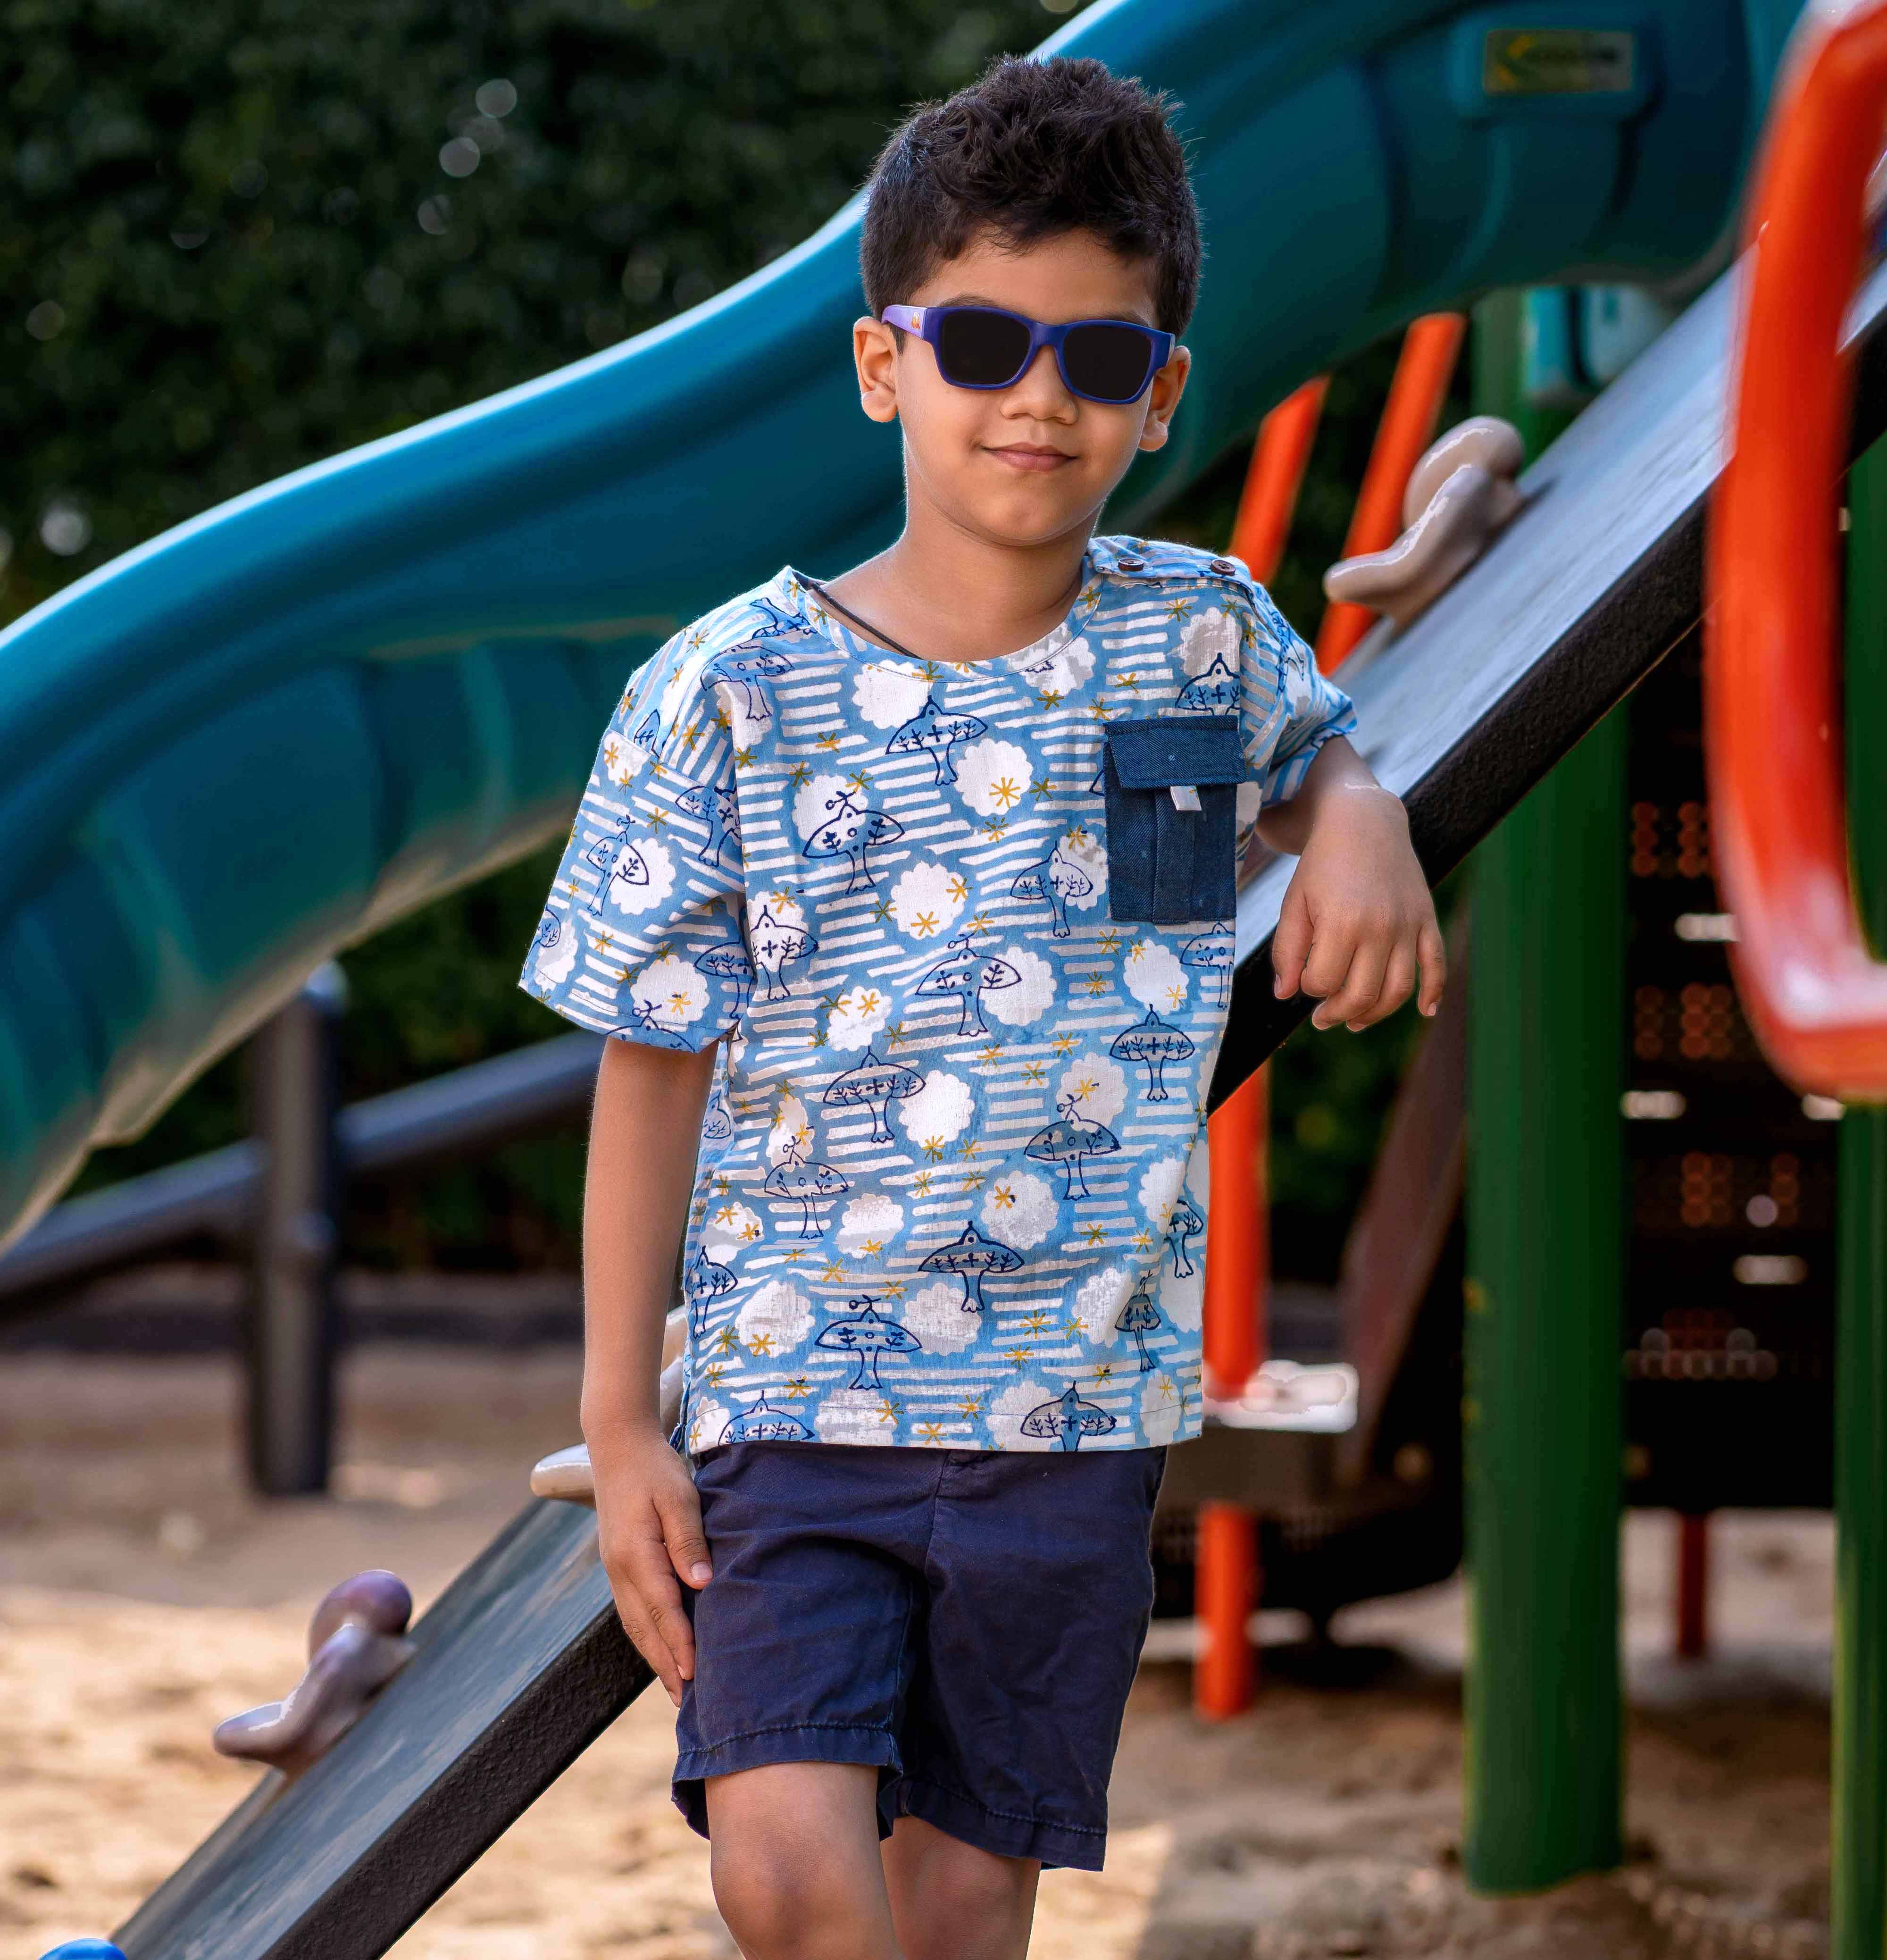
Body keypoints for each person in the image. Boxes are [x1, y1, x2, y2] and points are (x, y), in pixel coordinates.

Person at [520, 52, 1444, 1960]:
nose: (1038, 396)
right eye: (982, 343)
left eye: (1098, 360)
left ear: (1159, 392)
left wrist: (1358, 816)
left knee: (964, 1905)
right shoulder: (729, 692)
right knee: (785, 1866)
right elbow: (649, 1061)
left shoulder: (1189, 642)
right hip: (800, 1399)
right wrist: (623, 1419)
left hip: (1073, 1413)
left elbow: (1311, 766)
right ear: (885, 364)